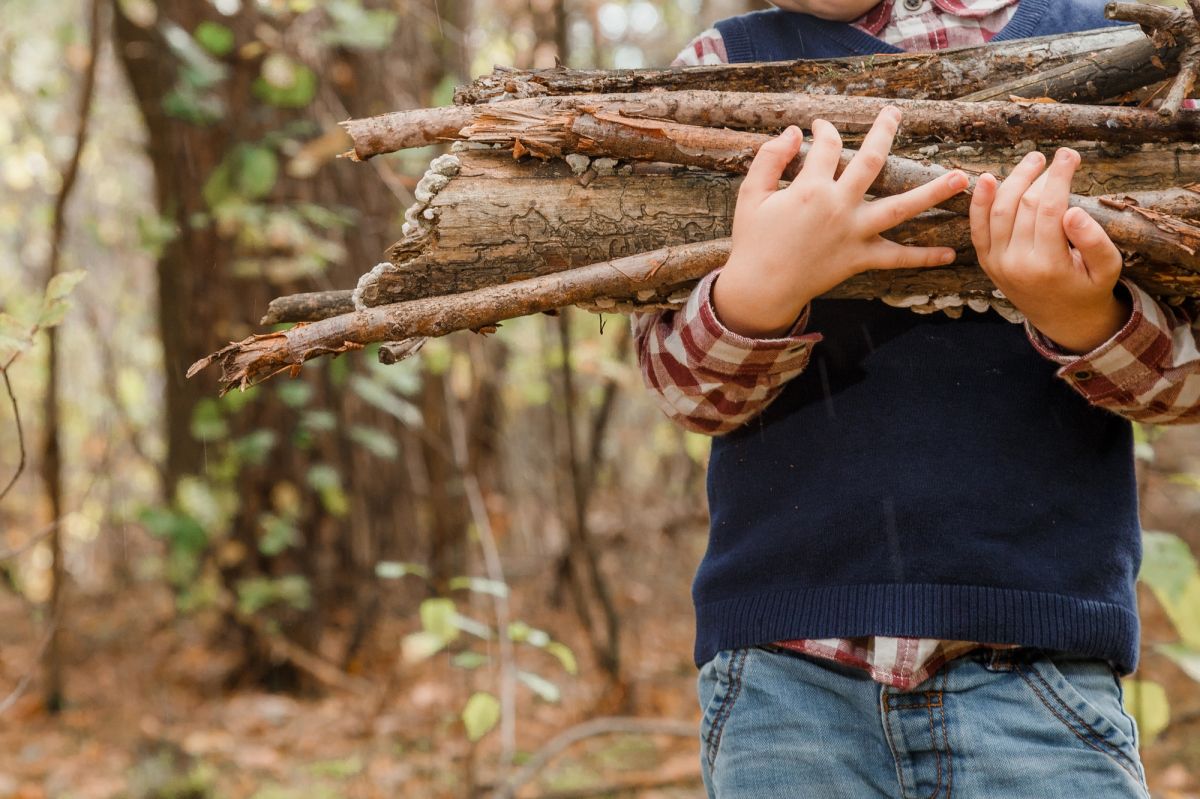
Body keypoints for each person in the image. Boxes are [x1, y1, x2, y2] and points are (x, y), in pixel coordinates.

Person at [630, 1, 1200, 796]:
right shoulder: (719, 68)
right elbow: (685, 390)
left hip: (1040, 672)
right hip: (785, 683)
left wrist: (1081, 317)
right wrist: (760, 290)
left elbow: (1187, 385)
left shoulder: (1126, 53)